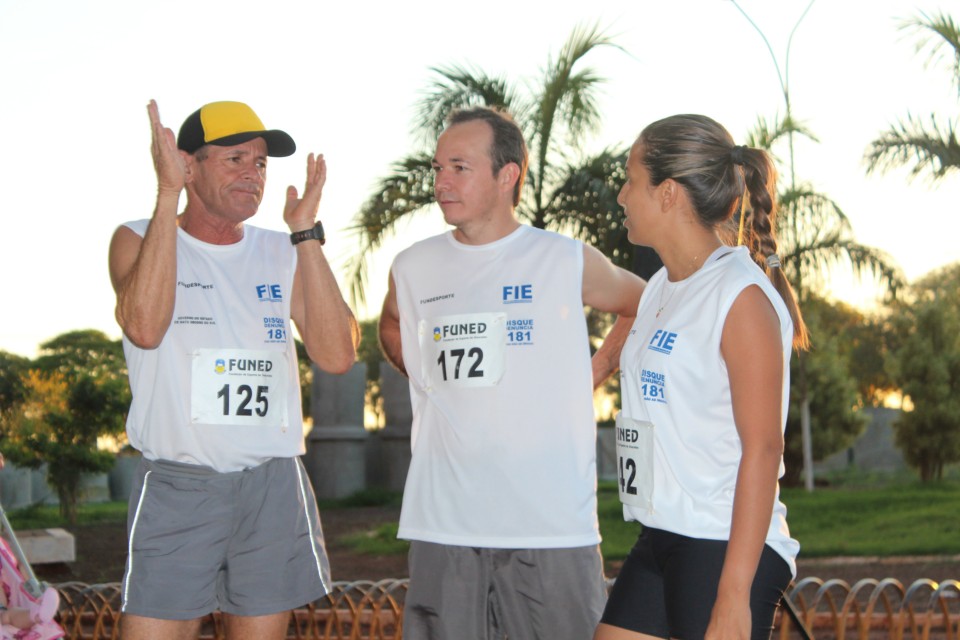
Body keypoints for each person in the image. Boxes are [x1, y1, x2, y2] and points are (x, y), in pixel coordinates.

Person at [379, 106, 646, 640]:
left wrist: (592, 371)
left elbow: (643, 302)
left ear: (508, 176)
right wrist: (430, 378)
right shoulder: (413, 266)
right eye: (437, 169)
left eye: (459, 167)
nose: (441, 182)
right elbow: (390, 325)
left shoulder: (564, 259)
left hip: (549, 529)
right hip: (442, 525)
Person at [108, 100, 359, 640]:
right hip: (179, 482)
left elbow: (337, 355)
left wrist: (306, 234)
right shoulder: (138, 235)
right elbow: (144, 327)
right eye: (235, 159)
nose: (254, 173)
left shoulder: (284, 249)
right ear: (188, 165)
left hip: (271, 483)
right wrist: (167, 193)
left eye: (262, 163)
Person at [594, 114, 808, 640]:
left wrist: (734, 595)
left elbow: (763, 448)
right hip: (664, 531)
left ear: (667, 193)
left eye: (630, 180)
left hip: (722, 541)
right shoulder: (663, 287)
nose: (621, 196)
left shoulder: (741, 297)